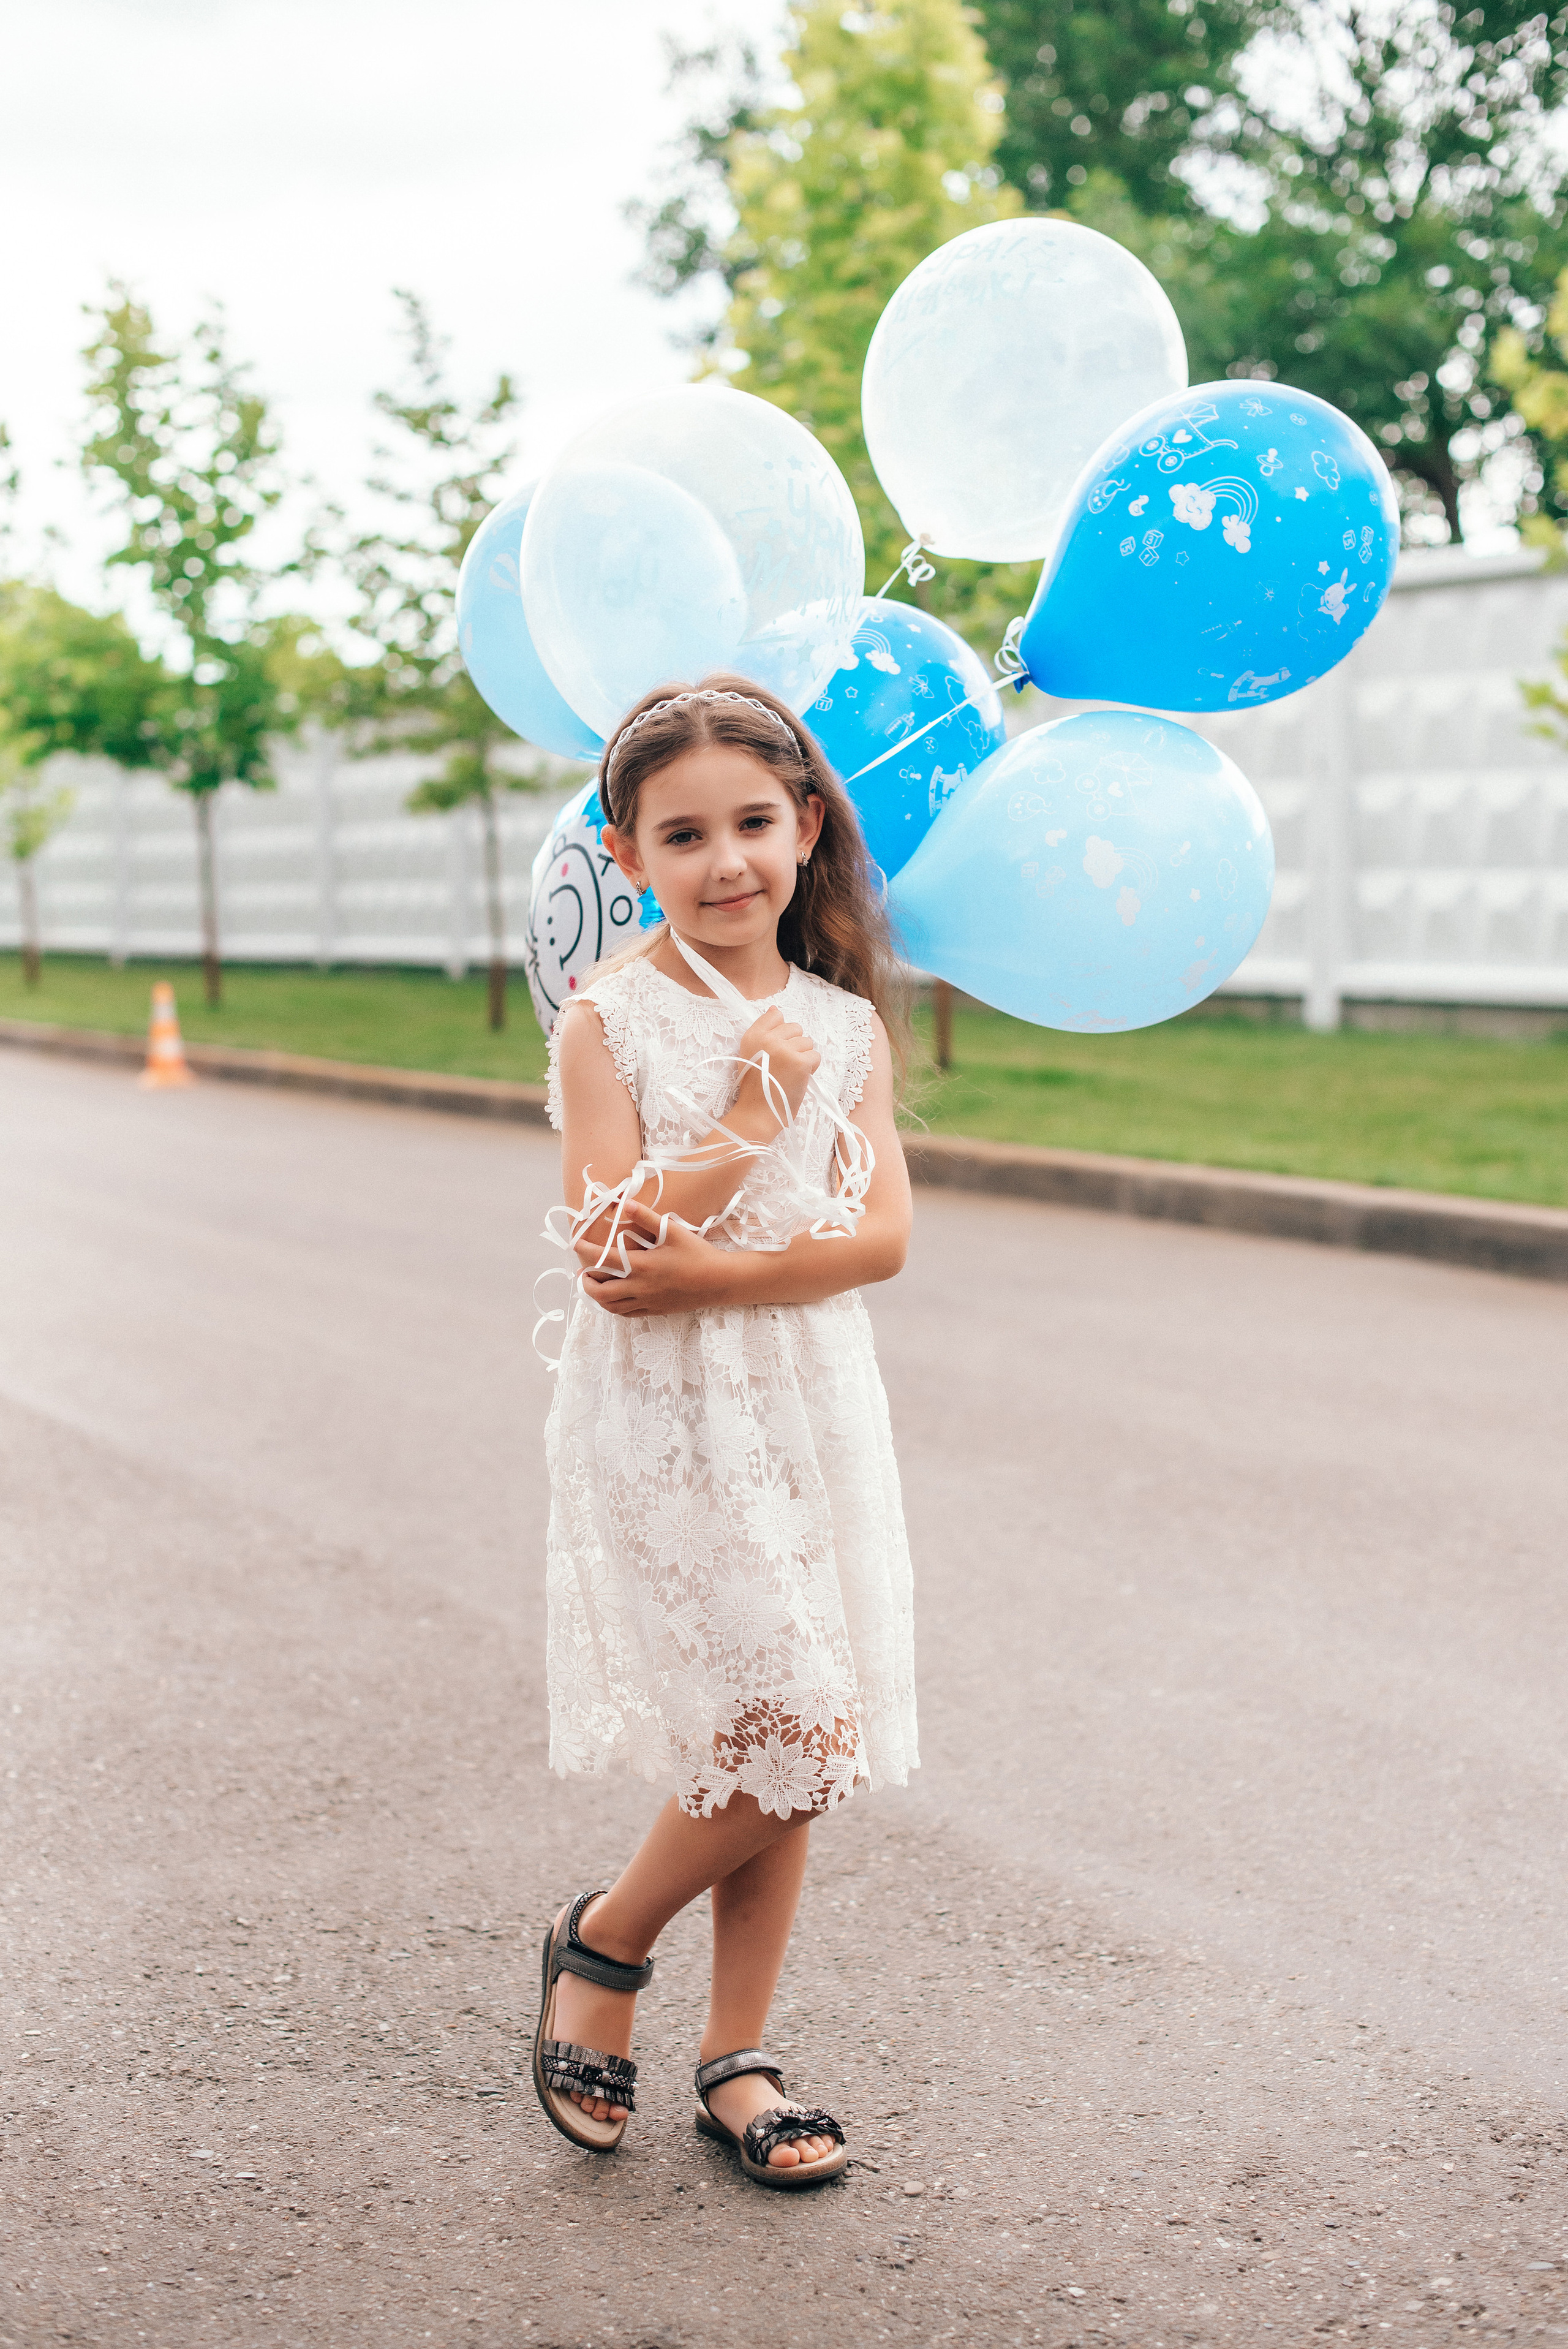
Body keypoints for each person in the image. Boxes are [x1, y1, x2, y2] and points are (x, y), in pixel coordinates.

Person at [531, 673, 918, 2189]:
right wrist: (747, 1125)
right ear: (629, 858)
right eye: (680, 835)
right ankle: (609, 1946)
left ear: (805, 826)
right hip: (675, 1418)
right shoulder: (605, 1022)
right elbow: (616, 1259)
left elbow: (882, 1237)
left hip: (810, 1401)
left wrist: (737, 1263)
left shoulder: (841, 1023)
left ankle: (731, 2054)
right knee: (784, 1733)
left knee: (788, 1726)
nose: (725, 862)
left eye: (753, 823)